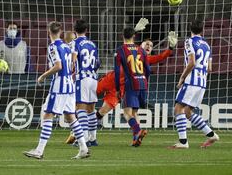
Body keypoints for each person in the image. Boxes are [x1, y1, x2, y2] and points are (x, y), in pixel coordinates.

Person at [65, 19, 178, 145]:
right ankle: (77, 132)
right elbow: (128, 41)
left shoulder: (142, 56)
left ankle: (87, 136)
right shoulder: (129, 50)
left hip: (120, 87)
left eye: (151, 46)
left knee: (99, 111)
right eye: (147, 44)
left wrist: (170, 49)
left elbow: (158, 57)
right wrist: (134, 31)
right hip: (110, 80)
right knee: (83, 104)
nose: (149, 47)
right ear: (139, 44)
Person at [23, 21, 89, 160]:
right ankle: (83, 148)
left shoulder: (53, 47)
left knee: (47, 115)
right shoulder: (66, 46)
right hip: (70, 85)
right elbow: (72, 65)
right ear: (60, 32)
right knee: (71, 117)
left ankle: (39, 150)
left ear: (48, 32)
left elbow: (58, 66)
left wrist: (42, 76)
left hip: (59, 86)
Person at [169, 20, 219, 149]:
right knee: (188, 112)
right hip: (202, 82)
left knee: (178, 109)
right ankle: (211, 134)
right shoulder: (207, 45)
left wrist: (182, 77)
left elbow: (191, 62)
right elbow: (210, 68)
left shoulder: (189, 41)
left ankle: (183, 142)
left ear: (190, 29)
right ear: (202, 30)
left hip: (191, 81)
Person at [115, 27, 150, 147]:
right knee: (135, 112)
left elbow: (117, 71)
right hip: (143, 83)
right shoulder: (141, 50)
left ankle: (137, 130)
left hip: (131, 83)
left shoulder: (120, 50)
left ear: (122, 36)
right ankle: (136, 139)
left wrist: (117, 89)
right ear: (134, 36)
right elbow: (148, 69)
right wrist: (145, 82)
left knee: (126, 112)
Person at [71, 20, 100, 147]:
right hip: (93, 78)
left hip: (81, 78)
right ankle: (93, 139)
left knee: (80, 108)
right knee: (91, 109)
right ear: (86, 30)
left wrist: (71, 73)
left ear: (74, 30)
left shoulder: (74, 43)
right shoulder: (92, 44)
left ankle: (83, 139)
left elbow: (73, 60)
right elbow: (98, 63)